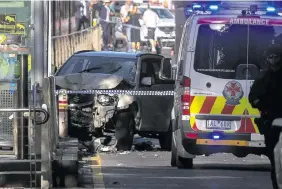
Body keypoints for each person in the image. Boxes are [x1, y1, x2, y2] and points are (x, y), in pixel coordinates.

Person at [249, 43, 282, 189]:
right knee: (274, 159)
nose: (273, 60)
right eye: (271, 57)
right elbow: (253, 98)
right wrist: (261, 105)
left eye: (276, 57)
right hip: (271, 123)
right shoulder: (263, 78)